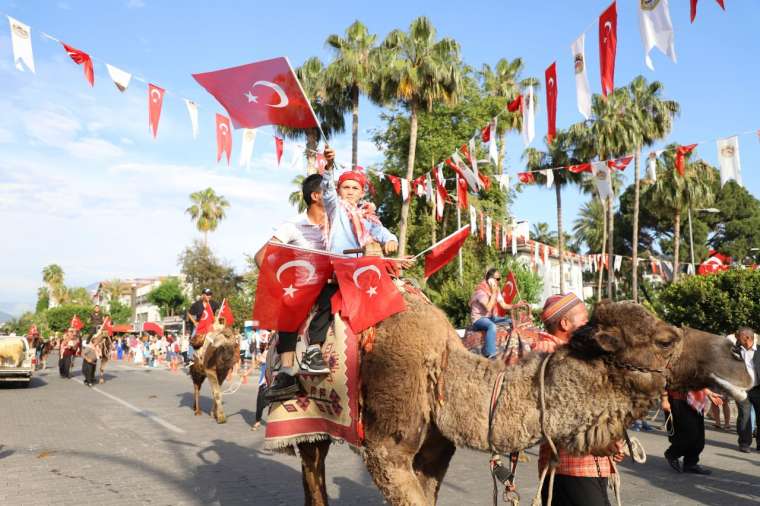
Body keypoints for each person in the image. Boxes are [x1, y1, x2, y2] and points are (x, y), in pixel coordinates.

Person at [534, 293, 624, 506]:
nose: (591, 328)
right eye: (585, 322)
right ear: (565, 323)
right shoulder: (546, 353)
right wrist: (599, 441)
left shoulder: (578, 355)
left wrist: (611, 439)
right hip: (570, 467)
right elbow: (560, 412)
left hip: (589, 467)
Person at [253, 169, 334, 400]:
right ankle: (289, 370)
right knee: (291, 303)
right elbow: (262, 256)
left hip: (336, 280)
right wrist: (278, 285)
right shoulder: (293, 226)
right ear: (317, 196)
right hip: (304, 286)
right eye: (328, 191)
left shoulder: (337, 224)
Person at [662, 386, 722, 474]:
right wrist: (664, 400)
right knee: (689, 435)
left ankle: (690, 464)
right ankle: (672, 454)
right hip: (678, 399)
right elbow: (662, 381)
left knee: (699, 438)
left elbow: (698, 380)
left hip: (696, 401)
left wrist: (709, 393)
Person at [468, 268, 524, 358]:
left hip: (490, 317)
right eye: (497, 279)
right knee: (491, 326)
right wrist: (494, 293)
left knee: (510, 321)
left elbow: (504, 305)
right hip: (479, 319)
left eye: (499, 279)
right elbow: (488, 308)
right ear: (490, 280)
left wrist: (516, 305)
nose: (499, 281)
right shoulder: (481, 292)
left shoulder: (496, 290)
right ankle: (490, 353)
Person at [732, 327, 760, 453]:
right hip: (742, 389)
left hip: (758, 389)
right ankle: (744, 443)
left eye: (739, 337)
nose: (737, 339)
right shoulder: (735, 351)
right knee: (745, 415)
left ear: (747, 338)